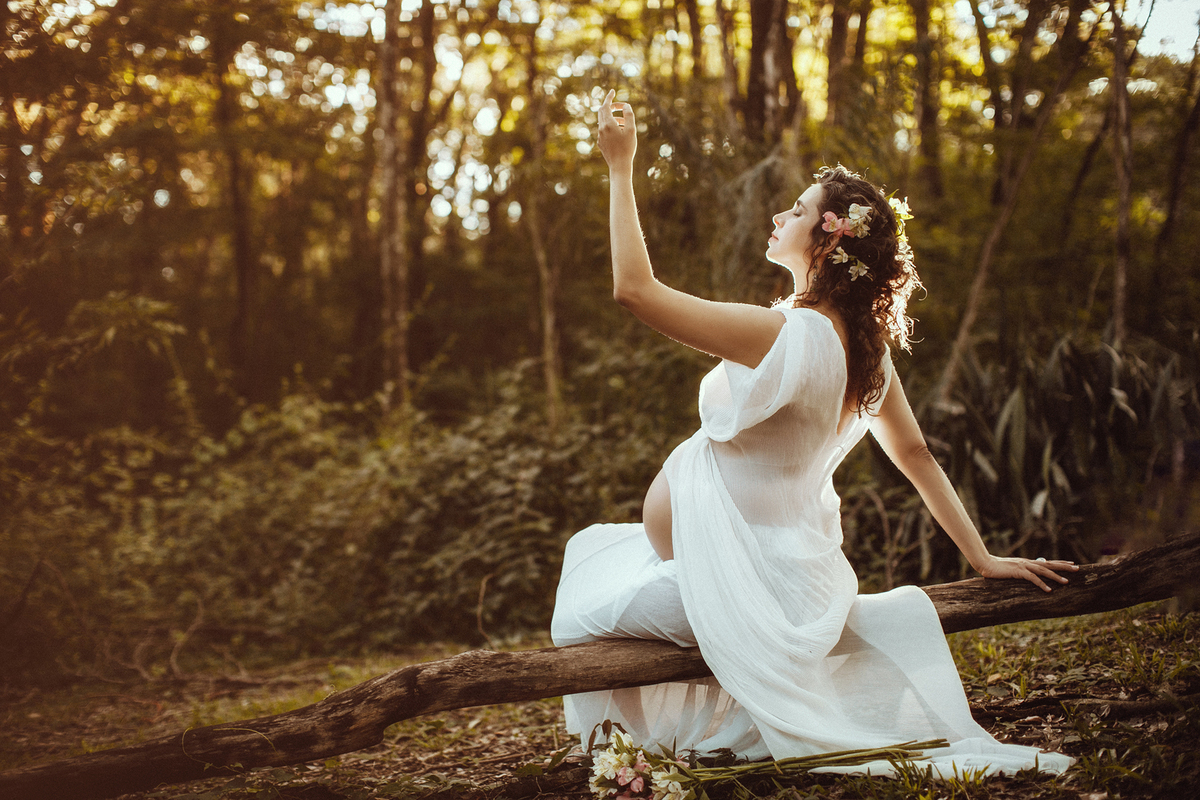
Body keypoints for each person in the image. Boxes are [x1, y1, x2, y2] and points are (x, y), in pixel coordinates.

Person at [550, 90, 1078, 776]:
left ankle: (643, 756)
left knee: (584, 586)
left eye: (796, 209)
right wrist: (979, 557)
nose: (780, 214)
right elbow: (915, 454)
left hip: (737, 586)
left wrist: (621, 167)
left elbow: (636, 290)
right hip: (792, 579)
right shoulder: (867, 351)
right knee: (599, 547)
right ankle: (658, 751)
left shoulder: (786, 334)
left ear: (830, 237)